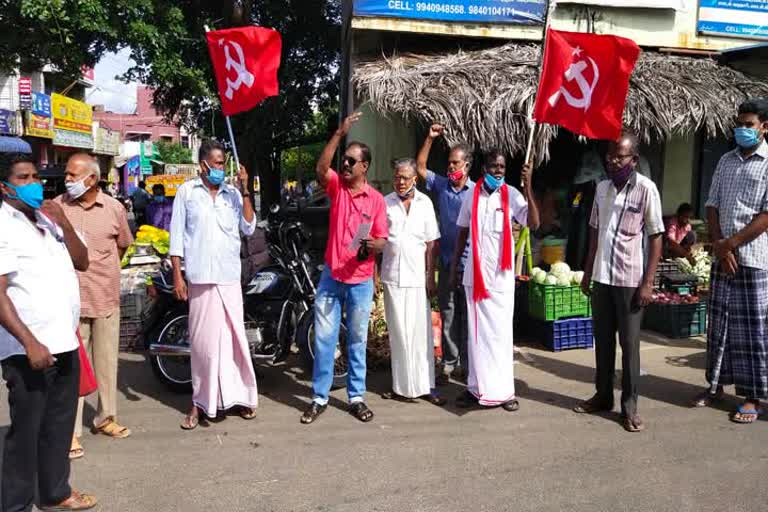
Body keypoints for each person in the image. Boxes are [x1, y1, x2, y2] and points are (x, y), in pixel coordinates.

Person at [0, 153, 98, 511]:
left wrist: (64, 223)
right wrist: (29, 342)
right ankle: (16, 505)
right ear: (4, 186)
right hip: (28, 347)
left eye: (36, 176)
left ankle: (56, 492)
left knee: (58, 425)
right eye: (24, 178)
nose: (34, 184)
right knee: (25, 432)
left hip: (63, 338)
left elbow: (83, 260)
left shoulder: (46, 217)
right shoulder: (3, 225)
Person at [300, 112, 388, 425]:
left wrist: (373, 246)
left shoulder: (376, 200)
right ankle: (319, 397)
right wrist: (339, 135)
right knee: (324, 340)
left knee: (356, 341)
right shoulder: (336, 188)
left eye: (352, 161)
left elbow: (381, 239)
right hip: (332, 278)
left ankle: (356, 397)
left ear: (365, 166)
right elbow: (321, 168)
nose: (346, 165)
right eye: (345, 160)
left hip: (361, 281)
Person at [576, 132, 664, 433]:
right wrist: (587, 272)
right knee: (602, 342)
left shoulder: (646, 189)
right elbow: (594, 234)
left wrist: (648, 282)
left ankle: (630, 407)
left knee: (629, 345)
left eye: (620, 157)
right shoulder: (601, 189)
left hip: (630, 279)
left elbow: (655, 238)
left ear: (634, 159)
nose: (613, 162)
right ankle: (602, 397)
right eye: (610, 156)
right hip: (602, 276)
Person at [170, 140, 259, 430]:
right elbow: (176, 236)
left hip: (229, 277)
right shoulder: (187, 192)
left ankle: (242, 398)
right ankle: (200, 403)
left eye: (224, 163)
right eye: (218, 163)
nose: (222, 167)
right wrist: (178, 275)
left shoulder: (233, 194)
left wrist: (246, 189)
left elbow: (249, 226)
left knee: (235, 341)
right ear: (203, 164)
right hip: (200, 279)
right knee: (204, 346)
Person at [54, 153, 134, 458]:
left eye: (73, 175)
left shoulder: (113, 208)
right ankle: (70, 432)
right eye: (67, 175)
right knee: (72, 370)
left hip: (105, 296)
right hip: (69, 301)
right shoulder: (58, 208)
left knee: (105, 364)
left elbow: (123, 244)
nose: (68, 180)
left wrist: (106, 268)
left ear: (92, 178)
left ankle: (106, 418)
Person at [694, 99, 768, 424]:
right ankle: (715, 385)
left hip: (754, 258)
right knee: (719, 326)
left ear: (764, 127)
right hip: (724, 256)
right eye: (739, 123)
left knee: (753, 332)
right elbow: (711, 204)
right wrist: (720, 247)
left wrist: (731, 245)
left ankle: (753, 397)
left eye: (749, 124)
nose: (743, 129)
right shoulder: (725, 160)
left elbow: (766, 215)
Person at [450, 150, 540, 412]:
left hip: (500, 279)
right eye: (493, 166)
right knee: (476, 337)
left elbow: (533, 223)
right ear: (484, 168)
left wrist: (529, 186)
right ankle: (475, 388)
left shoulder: (512, 194)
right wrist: (455, 267)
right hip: (475, 277)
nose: (498, 171)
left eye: (502, 166)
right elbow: (462, 233)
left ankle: (503, 392)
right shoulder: (471, 195)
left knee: (501, 336)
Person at [380, 158, 444, 405]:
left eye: (405, 177)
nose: (400, 182)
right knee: (399, 334)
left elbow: (431, 243)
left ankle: (426, 386)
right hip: (393, 277)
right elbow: (377, 239)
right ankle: (401, 387)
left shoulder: (425, 203)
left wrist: (430, 277)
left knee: (420, 334)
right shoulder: (385, 203)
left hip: (418, 277)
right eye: (397, 177)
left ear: (415, 179)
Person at [416, 123, 475, 384]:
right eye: (449, 163)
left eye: (455, 163)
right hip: (446, 261)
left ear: (467, 166)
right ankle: (451, 363)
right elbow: (419, 168)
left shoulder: (477, 192)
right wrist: (429, 139)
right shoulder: (442, 186)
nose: (451, 167)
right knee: (449, 313)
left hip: (469, 264)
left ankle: (468, 363)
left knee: (468, 315)